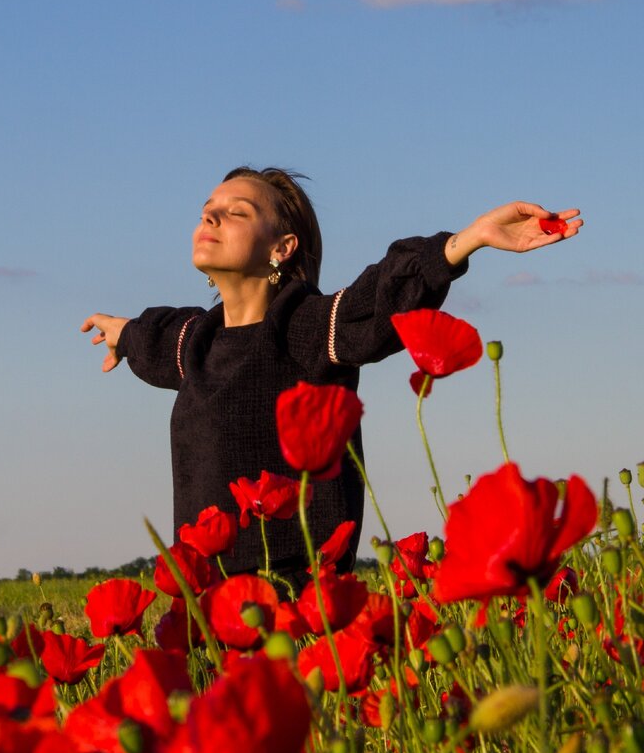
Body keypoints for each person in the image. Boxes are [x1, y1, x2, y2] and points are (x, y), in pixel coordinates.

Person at [81, 166, 580, 586]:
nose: (210, 216)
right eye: (208, 208)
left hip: (298, 600)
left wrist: (467, 240)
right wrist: (122, 335)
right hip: (209, 605)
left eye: (237, 212)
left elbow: (380, 296)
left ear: (283, 247)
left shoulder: (304, 326)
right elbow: (154, 335)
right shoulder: (197, 342)